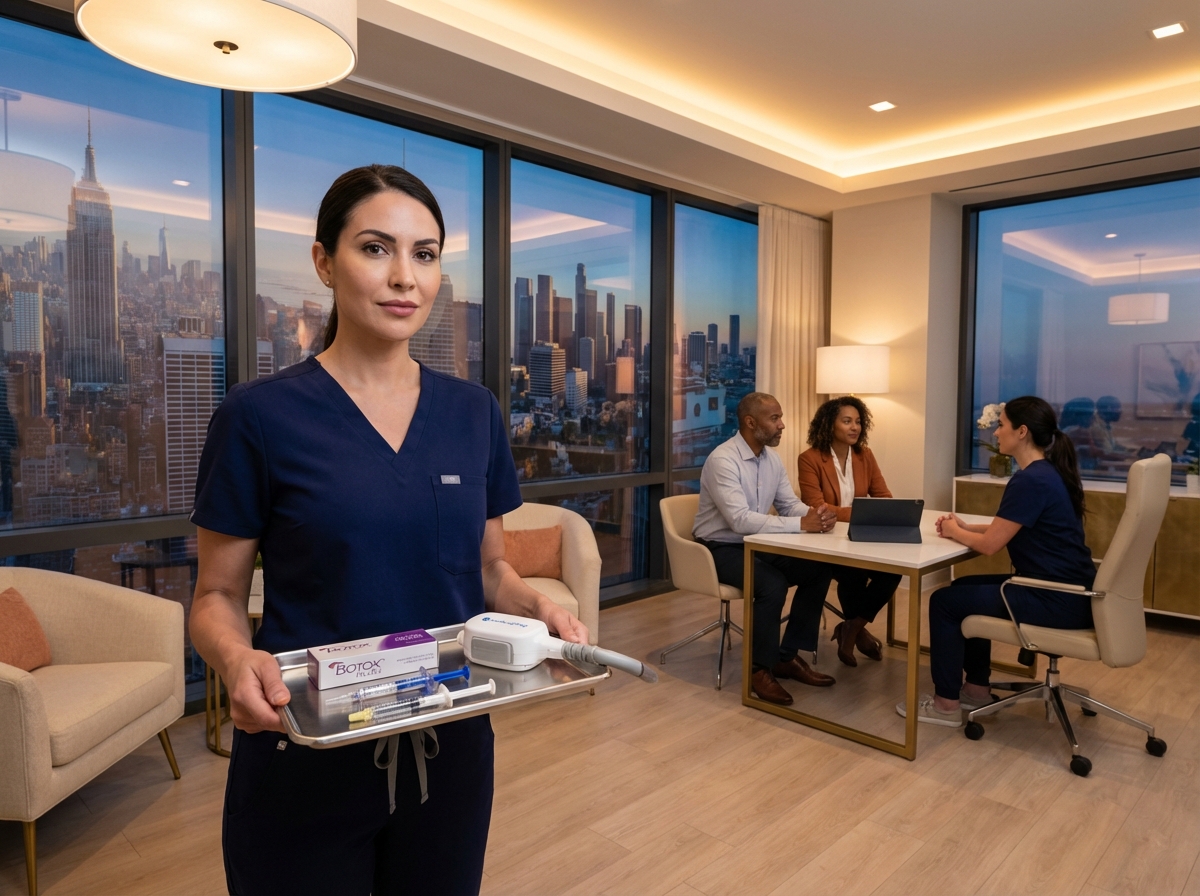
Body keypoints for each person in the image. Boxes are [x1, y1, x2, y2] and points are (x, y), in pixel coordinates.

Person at [188, 165, 588, 896]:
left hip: (452, 746)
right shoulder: (259, 418)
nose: (404, 276)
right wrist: (234, 661)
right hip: (307, 751)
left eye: (425, 254)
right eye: (376, 249)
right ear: (324, 262)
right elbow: (214, 594)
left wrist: (540, 609)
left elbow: (489, 568)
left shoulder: (474, 413)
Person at [900, 395, 1095, 727]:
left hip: (1053, 598)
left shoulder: (1031, 479)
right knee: (963, 589)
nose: (995, 433)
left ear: (1021, 432)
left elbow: (991, 545)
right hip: (1071, 592)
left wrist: (952, 530)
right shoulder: (1047, 473)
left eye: (1001, 425)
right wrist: (963, 527)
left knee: (945, 601)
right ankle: (975, 689)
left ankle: (946, 704)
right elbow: (1009, 526)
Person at [693, 391, 839, 706]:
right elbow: (740, 521)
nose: (782, 425)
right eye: (775, 418)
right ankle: (760, 670)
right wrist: (802, 526)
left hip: (756, 542)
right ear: (750, 422)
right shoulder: (723, 460)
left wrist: (816, 516)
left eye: (780, 417)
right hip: (718, 547)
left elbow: (788, 506)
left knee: (818, 567)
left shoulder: (771, 460)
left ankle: (786, 656)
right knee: (771, 584)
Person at [797, 396, 900, 666]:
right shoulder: (809, 459)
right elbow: (817, 506)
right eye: (846, 421)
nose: (854, 427)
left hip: (860, 537)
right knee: (853, 572)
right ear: (829, 425)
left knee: (893, 569)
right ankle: (856, 630)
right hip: (826, 540)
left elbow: (884, 498)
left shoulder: (864, 455)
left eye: (858, 422)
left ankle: (852, 627)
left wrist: (861, 512)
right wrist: (862, 513)